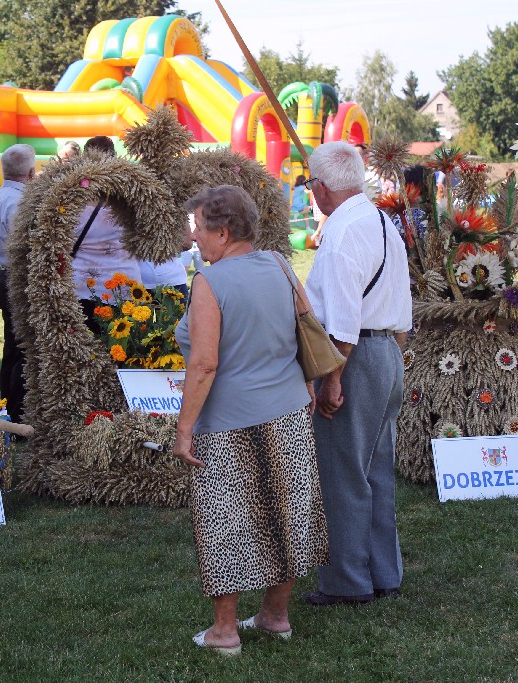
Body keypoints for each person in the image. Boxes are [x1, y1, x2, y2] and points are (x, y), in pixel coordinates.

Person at [172, 184, 328, 656]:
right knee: (287, 515)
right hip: (287, 413)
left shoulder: (210, 282)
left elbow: (203, 364)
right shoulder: (280, 264)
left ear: (222, 232)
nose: (193, 237)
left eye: (198, 228)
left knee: (227, 523)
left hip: (226, 420)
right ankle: (276, 616)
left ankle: (224, 632)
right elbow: (305, 327)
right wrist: (307, 389)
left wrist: (183, 429)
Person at [303, 141, 412, 606]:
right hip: (386, 351)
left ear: (322, 188)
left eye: (310, 184)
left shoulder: (342, 231)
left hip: (353, 358)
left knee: (343, 472)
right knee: (376, 470)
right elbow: (402, 309)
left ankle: (348, 581)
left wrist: (332, 380)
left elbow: (343, 323)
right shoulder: (382, 221)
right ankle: (383, 572)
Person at [0, 143, 36, 422]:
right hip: (20, 276)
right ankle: (17, 412)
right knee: (22, 347)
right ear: (31, 172)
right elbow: (27, 246)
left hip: (4, 273)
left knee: (11, 345)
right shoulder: (20, 202)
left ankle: (8, 404)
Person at [73, 136, 143, 331]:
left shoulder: (69, 197)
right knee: (124, 353)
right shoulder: (134, 196)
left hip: (82, 287)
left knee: (86, 353)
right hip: (125, 288)